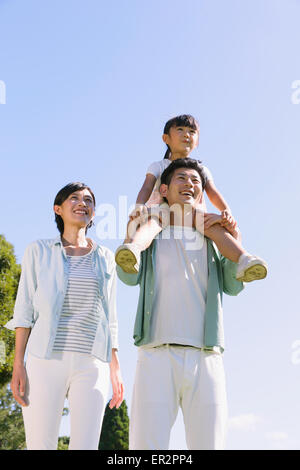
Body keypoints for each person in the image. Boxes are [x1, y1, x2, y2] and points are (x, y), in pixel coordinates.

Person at [117, 158, 253, 450]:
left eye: (196, 182)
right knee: (146, 448)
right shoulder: (153, 232)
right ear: (164, 189)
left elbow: (231, 286)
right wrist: (131, 232)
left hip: (206, 357)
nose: (190, 184)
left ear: (202, 193)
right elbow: (128, 279)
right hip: (156, 355)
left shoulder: (212, 238)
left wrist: (236, 240)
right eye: (182, 178)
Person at [5, 182, 123, 450]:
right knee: (41, 445)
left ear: (93, 213)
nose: (83, 203)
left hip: (92, 363)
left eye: (89, 200)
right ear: (58, 209)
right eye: (74, 198)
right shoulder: (38, 250)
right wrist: (18, 363)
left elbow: (110, 317)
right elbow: (24, 311)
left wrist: (115, 367)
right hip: (45, 360)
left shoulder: (105, 257)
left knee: (86, 446)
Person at [115, 114, 267, 283]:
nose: (186, 134)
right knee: (153, 222)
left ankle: (243, 260)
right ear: (166, 138)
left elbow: (213, 192)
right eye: (180, 129)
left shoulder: (200, 169)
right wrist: (139, 205)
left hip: (193, 214)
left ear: (197, 141)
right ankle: (134, 249)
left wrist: (226, 212)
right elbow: (147, 186)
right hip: (164, 210)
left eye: (191, 131)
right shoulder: (159, 165)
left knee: (213, 227)